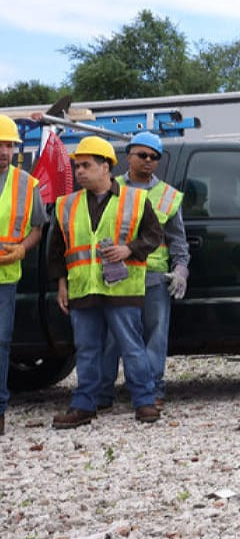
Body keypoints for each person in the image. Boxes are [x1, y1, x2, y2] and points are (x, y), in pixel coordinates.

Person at [49, 136, 165, 429]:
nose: (80, 172)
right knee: (86, 349)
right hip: (83, 289)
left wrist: (129, 249)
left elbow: (154, 237)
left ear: (106, 167)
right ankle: (84, 405)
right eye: (77, 166)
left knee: (132, 347)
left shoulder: (135, 200)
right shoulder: (66, 205)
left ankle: (145, 402)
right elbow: (57, 250)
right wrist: (61, 284)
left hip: (121, 289)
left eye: (86, 165)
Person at [96, 132, 190, 409]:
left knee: (155, 337)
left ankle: (152, 391)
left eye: (154, 157)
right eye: (142, 155)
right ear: (128, 156)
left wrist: (181, 269)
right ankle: (103, 394)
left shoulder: (168, 196)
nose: (148, 161)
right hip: (116, 276)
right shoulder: (109, 189)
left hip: (153, 276)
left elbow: (178, 239)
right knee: (111, 339)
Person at [0, 114, 46, 436]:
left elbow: (38, 227)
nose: (3, 151)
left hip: (5, 277)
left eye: (8, 145)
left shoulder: (27, 184)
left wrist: (23, 249)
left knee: (0, 343)